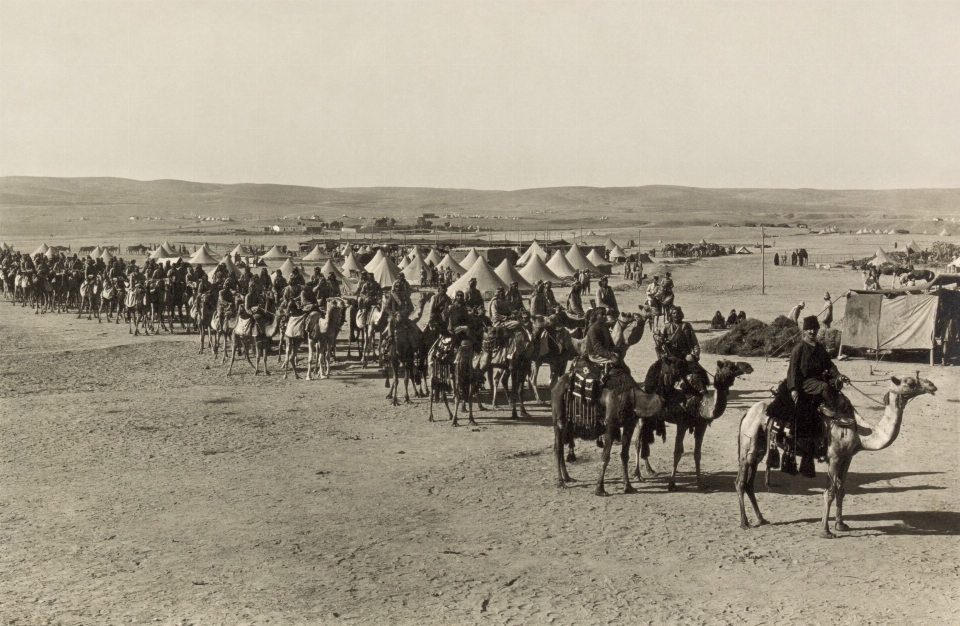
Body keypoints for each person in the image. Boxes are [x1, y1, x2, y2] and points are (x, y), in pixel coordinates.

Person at [644, 306, 706, 397]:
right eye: (674, 313)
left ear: (681, 315)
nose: (676, 315)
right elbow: (658, 341)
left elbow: (694, 343)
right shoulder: (666, 326)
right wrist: (660, 339)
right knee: (658, 372)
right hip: (670, 355)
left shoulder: (686, 326)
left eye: (678, 313)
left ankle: (701, 392)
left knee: (698, 372)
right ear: (671, 315)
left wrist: (695, 354)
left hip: (685, 355)